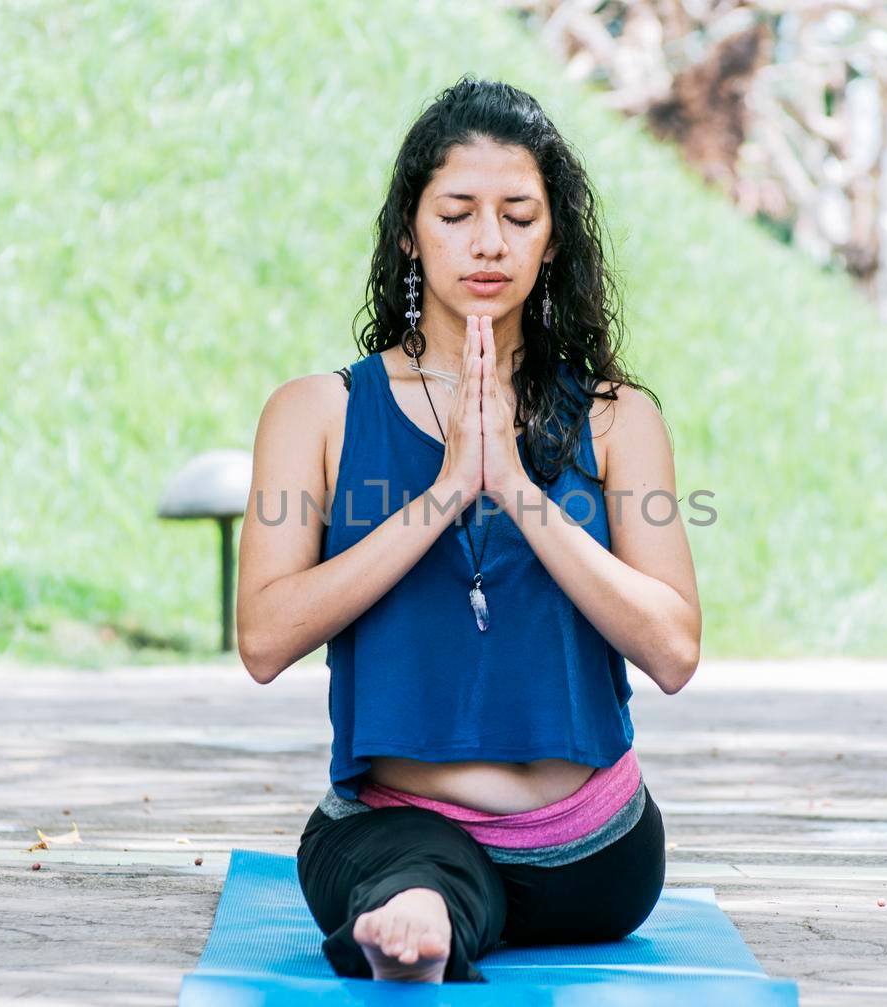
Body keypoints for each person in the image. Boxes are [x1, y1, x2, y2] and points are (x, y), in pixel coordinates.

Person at [235, 75, 702, 984]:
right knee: (420, 877)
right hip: (399, 830)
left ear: (553, 235)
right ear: (411, 230)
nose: (489, 241)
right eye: (457, 212)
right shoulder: (316, 414)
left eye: (519, 215)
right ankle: (420, 917)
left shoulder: (616, 418)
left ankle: (425, 916)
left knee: (434, 888)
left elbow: (675, 650)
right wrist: (444, 493)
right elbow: (263, 638)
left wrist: (520, 490)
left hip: (593, 859)